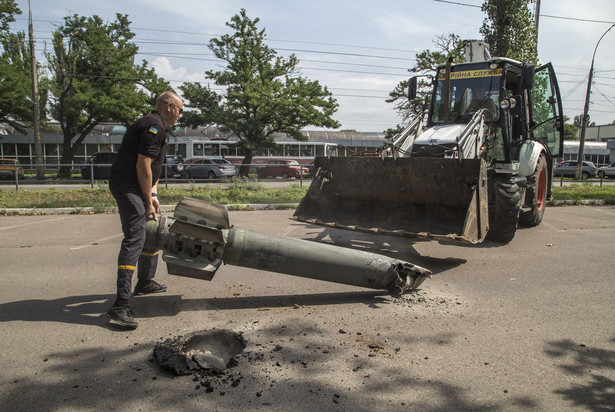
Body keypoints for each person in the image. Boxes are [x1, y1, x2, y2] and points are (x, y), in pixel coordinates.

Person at [106, 91, 183, 329]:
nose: (180, 116)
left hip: (137, 185)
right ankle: (120, 304)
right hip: (128, 185)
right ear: (169, 106)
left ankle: (145, 282)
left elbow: (155, 168)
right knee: (136, 236)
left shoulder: (158, 126)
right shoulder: (153, 126)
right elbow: (143, 165)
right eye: (180, 110)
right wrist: (147, 200)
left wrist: (154, 195)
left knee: (151, 227)